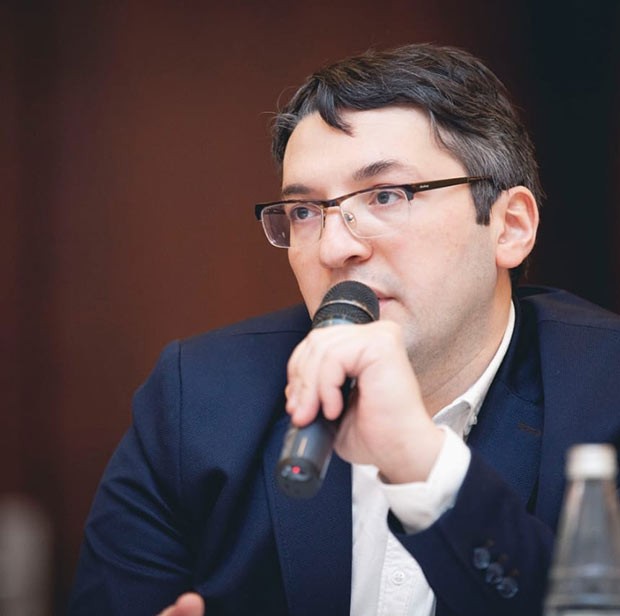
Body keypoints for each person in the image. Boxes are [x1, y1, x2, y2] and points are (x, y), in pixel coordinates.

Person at [68, 43, 620, 616]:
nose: (334, 248)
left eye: (386, 195)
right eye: (305, 212)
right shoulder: (199, 398)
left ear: (509, 227)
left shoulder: (606, 393)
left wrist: (423, 467)